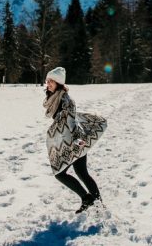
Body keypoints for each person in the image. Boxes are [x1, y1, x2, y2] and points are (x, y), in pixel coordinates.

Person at [43, 66, 107, 213]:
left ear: (58, 82)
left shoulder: (66, 100)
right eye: (47, 81)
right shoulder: (55, 98)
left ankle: (88, 198)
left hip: (74, 141)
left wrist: (78, 139)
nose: (48, 84)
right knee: (82, 172)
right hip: (69, 140)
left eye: (51, 81)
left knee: (60, 173)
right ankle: (97, 203)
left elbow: (72, 121)